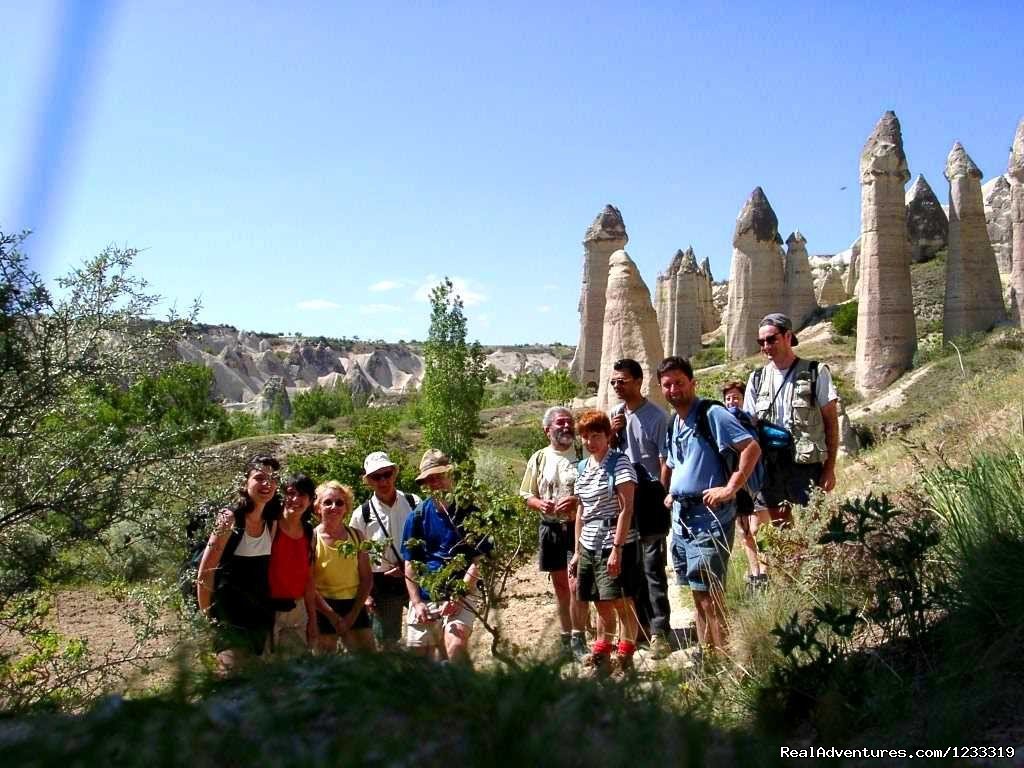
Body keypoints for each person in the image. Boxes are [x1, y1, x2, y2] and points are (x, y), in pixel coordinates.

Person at [658, 357, 761, 654]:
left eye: (679, 382)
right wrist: (673, 492)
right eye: (667, 385)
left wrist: (730, 487)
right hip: (682, 518)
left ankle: (725, 659)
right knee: (697, 594)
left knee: (710, 597)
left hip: (708, 517)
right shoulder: (674, 423)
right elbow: (679, 463)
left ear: (693, 383)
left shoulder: (712, 413)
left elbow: (751, 448)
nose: (674, 389)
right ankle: (708, 656)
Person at [744, 313, 839, 527]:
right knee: (782, 528)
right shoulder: (756, 379)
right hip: (770, 466)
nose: (766, 346)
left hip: (806, 466)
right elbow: (748, 425)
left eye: (771, 339)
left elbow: (831, 423)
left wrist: (829, 468)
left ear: (788, 336)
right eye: (761, 342)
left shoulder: (816, 372)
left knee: (815, 526)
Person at [401, 449, 493, 665]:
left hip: (462, 590)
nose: (436, 483)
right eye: (430, 479)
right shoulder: (417, 516)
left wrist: (458, 597)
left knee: (456, 647)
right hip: (425, 595)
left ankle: (464, 694)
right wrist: (416, 602)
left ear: (450, 475)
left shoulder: (471, 513)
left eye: (439, 476)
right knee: (418, 662)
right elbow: (410, 562)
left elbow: (476, 561)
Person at [608, 358, 671, 659]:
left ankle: (660, 632)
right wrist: (612, 433)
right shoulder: (615, 416)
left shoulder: (657, 417)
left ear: (638, 381)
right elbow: (607, 458)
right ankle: (641, 628)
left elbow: (665, 461)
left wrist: (662, 494)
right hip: (623, 501)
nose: (617, 386)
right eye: (614, 382)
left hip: (650, 498)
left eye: (622, 381)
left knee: (652, 567)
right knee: (631, 568)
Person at [569, 409, 640, 677]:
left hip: (614, 542)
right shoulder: (582, 468)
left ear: (608, 436)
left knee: (621, 601)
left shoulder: (619, 464)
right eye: (586, 437)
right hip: (589, 543)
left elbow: (626, 508)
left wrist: (617, 550)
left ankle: (625, 654)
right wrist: (577, 551)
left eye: (596, 435)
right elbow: (581, 511)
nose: (590, 442)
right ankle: (602, 651)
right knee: (600, 601)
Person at [197, 454, 282, 672]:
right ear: (245, 482)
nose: (267, 484)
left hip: (258, 617)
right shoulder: (230, 518)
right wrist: (207, 617)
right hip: (229, 616)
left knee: (252, 684)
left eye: (272, 479)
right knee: (231, 679)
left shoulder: (271, 521)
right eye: (259, 478)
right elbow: (206, 571)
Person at [520, 406, 588, 660]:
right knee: (561, 586)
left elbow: (598, 487)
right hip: (550, 528)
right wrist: (540, 504)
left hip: (577, 528)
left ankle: (579, 637)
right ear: (547, 430)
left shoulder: (583, 454)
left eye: (569, 422)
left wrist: (576, 500)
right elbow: (526, 494)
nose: (567, 427)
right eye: (560, 423)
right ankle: (566, 637)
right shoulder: (538, 458)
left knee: (576, 584)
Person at [351, 451, 419, 649]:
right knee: (387, 640)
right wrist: (365, 595)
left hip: (415, 576)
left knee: (429, 628)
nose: (383, 481)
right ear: (368, 481)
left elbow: (426, 540)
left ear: (394, 473)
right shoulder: (361, 515)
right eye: (376, 476)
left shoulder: (414, 502)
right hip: (382, 583)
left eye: (386, 474)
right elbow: (356, 557)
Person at [312, 481, 375, 653]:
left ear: (346, 508)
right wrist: (332, 616)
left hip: (354, 604)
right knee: (325, 667)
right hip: (322, 607)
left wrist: (353, 614)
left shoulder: (357, 536)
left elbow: (367, 578)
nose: (334, 507)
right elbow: (307, 582)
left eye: (339, 502)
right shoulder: (311, 539)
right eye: (327, 502)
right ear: (318, 507)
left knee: (370, 663)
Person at [721, 381, 767, 592]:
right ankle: (755, 573)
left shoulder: (750, 422)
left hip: (758, 484)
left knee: (758, 530)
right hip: (739, 487)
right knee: (744, 532)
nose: (732, 402)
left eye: (736, 398)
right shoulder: (723, 424)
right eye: (728, 398)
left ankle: (765, 573)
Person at [267, 473, 319, 655]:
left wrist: (312, 619)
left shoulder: (309, 532)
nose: (295, 499)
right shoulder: (271, 526)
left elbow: (309, 578)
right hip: (269, 610)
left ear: (311, 500)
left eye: (302, 495)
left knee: (296, 674)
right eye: (290, 493)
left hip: (298, 611)